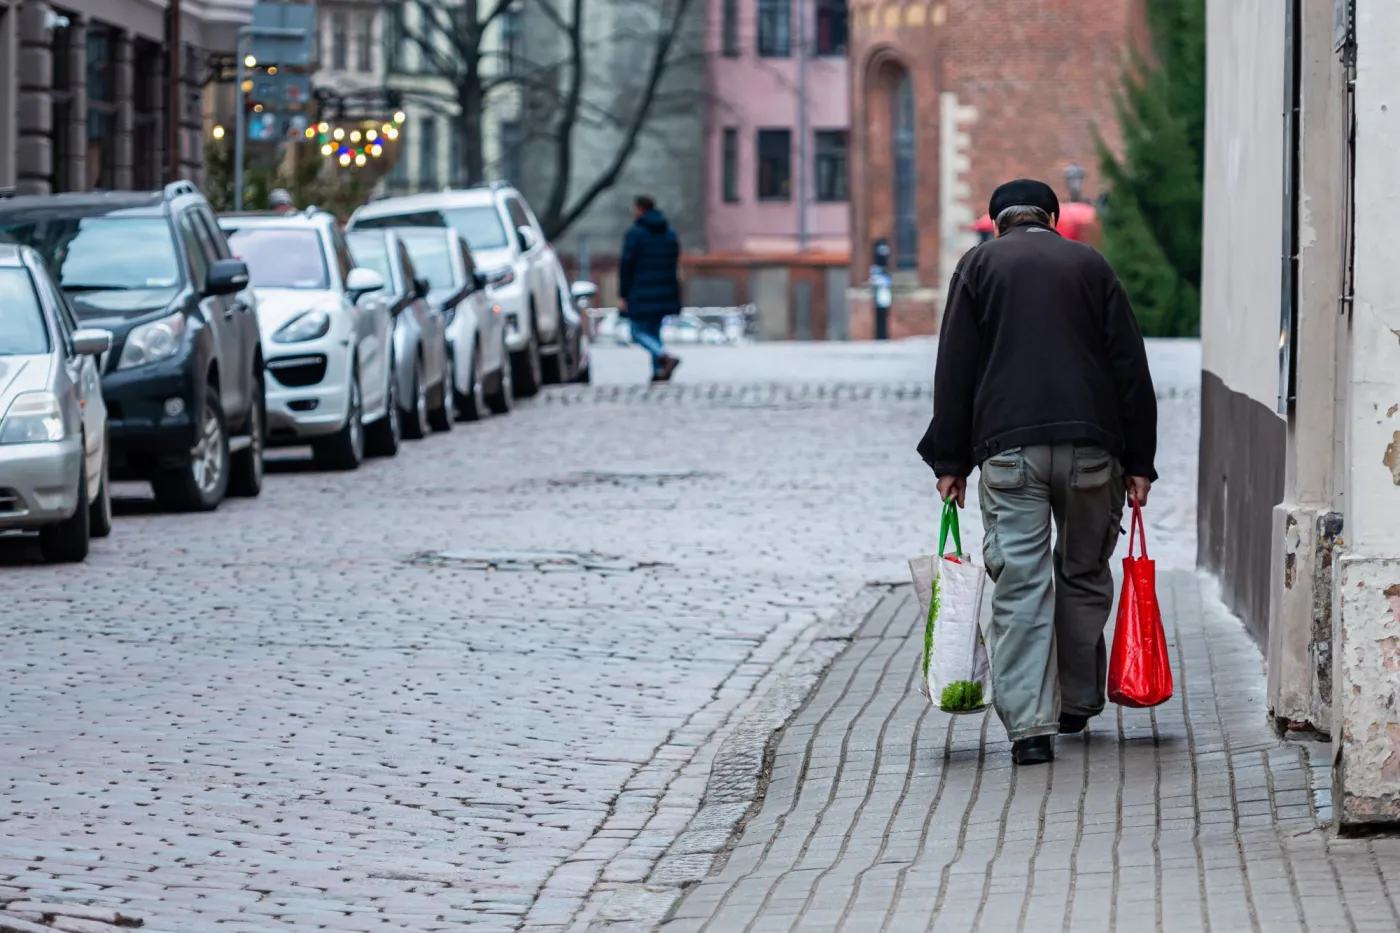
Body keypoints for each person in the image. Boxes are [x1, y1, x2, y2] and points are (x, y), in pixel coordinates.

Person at [918, 178, 1157, 766]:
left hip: (1008, 450)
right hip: (1092, 449)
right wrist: (1140, 461)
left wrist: (950, 461)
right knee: (1081, 571)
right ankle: (1076, 702)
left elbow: (955, 369)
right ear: (1051, 216)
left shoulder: (978, 267)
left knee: (1022, 584)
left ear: (996, 220)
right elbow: (1130, 366)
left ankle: (1030, 729)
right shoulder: (1091, 265)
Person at [618, 195, 681, 382]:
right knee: (654, 331)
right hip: (666, 291)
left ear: (639, 209)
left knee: (636, 332)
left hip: (640, 291)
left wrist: (623, 294)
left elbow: (626, 266)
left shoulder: (635, 234)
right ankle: (659, 371)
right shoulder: (669, 233)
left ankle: (664, 356)